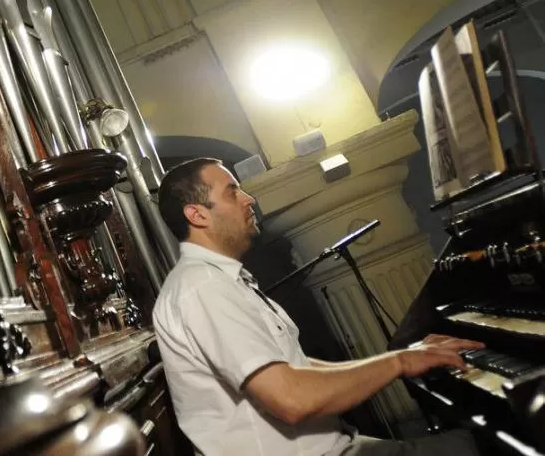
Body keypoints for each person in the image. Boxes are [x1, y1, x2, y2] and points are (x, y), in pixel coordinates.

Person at [153, 157, 482, 456]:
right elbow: (291, 400)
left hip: (339, 445)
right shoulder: (204, 288)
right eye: (232, 191)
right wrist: (399, 362)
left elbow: (293, 365)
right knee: (481, 447)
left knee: (473, 442)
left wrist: (401, 358)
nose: (249, 199)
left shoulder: (221, 281)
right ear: (197, 215)